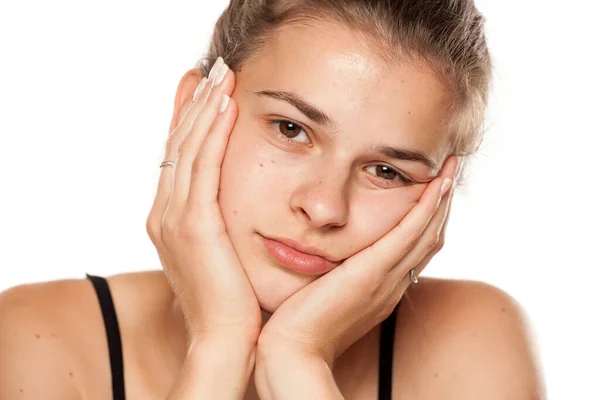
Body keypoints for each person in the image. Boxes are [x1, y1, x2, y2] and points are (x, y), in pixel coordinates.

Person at [0, 0, 544, 398]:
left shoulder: (473, 340)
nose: (325, 207)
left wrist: (299, 360)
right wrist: (218, 346)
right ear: (196, 108)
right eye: (290, 129)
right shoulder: (37, 337)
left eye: (386, 170)